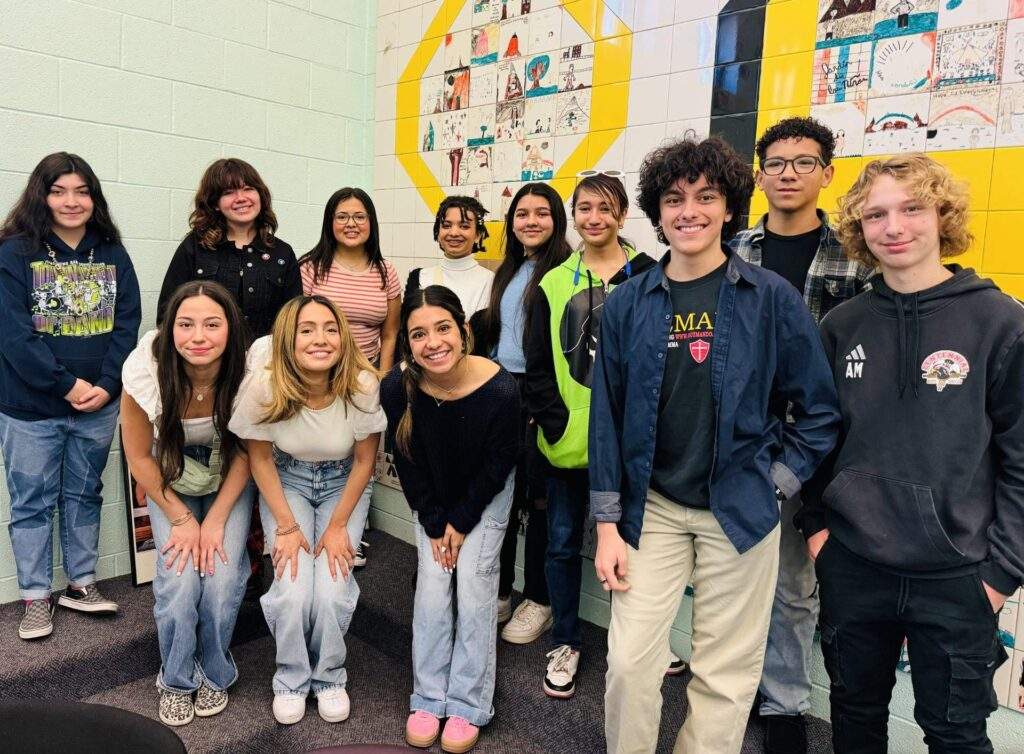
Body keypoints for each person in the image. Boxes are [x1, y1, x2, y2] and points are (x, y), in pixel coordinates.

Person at [590, 136, 840, 754]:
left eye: (707, 196)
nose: (690, 211)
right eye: (674, 199)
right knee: (627, 662)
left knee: (724, 674)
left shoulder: (771, 299)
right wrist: (606, 524)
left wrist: (775, 480)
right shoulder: (627, 302)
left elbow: (818, 410)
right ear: (658, 211)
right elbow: (607, 417)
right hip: (653, 510)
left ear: (729, 208)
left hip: (740, 509)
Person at [799, 154, 1024, 753]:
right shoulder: (842, 325)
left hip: (957, 576)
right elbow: (817, 437)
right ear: (859, 228)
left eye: (912, 208)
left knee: (955, 734)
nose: (894, 226)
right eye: (876, 214)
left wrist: (1000, 574)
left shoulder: (999, 321)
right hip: (853, 565)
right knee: (853, 716)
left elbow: (1021, 459)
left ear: (942, 215)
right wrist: (818, 529)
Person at [730, 116, 872, 753]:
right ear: (759, 175)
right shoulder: (733, 248)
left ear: (827, 173)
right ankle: (731, 690)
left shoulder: (855, 255)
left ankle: (784, 705)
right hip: (740, 439)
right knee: (731, 577)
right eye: (776, 163)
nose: (788, 173)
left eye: (803, 162)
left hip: (819, 442)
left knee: (792, 588)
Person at [0, 152, 141, 641]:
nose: (71, 201)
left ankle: (81, 585)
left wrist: (106, 385)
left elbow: (127, 325)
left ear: (94, 197)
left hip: (97, 406)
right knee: (32, 503)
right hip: (31, 409)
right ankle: (36, 598)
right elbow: (13, 335)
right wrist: (66, 384)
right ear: (41, 195)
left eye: (81, 191)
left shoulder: (112, 252)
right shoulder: (15, 252)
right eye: (59, 190)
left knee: (84, 494)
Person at [524, 175, 656, 698]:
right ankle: (565, 640)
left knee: (641, 546)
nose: (594, 217)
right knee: (560, 544)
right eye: (584, 208)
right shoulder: (553, 280)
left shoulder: (650, 275)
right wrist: (555, 421)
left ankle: (642, 643)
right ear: (573, 216)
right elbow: (537, 360)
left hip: (632, 447)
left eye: (605, 208)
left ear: (622, 214)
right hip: (566, 444)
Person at [229, 295, 386, 725]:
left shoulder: (361, 384)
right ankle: (292, 678)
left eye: (330, 328)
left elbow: (364, 461)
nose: (321, 338)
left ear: (344, 337)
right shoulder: (265, 385)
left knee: (332, 586)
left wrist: (339, 527)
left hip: (343, 483)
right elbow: (259, 459)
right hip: (288, 480)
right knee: (295, 586)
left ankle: (329, 675)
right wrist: (285, 525)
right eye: (307, 329)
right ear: (287, 338)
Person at [381, 285, 519, 753]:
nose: (433, 342)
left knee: (475, 587)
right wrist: (437, 522)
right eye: (419, 334)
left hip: (486, 492)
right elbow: (408, 462)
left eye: (443, 328)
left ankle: (468, 702)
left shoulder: (501, 389)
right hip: (435, 497)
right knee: (435, 587)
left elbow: (498, 466)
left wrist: (462, 521)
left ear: (462, 331)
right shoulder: (396, 387)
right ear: (408, 344)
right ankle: (427, 696)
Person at [120, 281, 252, 727]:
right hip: (170, 483)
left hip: (228, 481)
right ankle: (175, 678)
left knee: (220, 574)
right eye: (186, 324)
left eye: (212, 324)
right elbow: (138, 456)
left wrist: (214, 521)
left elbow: (247, 454)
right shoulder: (146, 373)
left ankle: (215, 668)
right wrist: (179, 516)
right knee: (178, 582)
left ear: (230, 330)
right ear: (169, 328)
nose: (198, 336)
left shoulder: (247, 376)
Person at [474, 183, 570, 644]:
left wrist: (539, 400)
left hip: (539, 394)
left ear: (557, 220)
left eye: (542, 213)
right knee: (501, 496)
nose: (530, 221)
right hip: (500, 391)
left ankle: (541, 598)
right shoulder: (507, 270)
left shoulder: (564, 271)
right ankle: (501, 591)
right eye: (522, 214)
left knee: (540, 500)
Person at [157, 158, 301, 345]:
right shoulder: (195, 247)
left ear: (260, 196)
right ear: (215, 203)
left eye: (249, 189)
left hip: (265, 365)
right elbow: (167, 313)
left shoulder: (282, 253)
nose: (241, 198)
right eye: (229, 192)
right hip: (207, 364)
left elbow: (294, 319)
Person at [300, 187, 401, 372]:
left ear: (371, 222)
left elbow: (390, 334)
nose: (351, 223)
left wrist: (382, 377)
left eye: (360, 217)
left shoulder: (387, 272)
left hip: (368, 370)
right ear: (330, 223)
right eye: (342, 217)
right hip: (319, 371)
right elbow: (296, 327)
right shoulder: (309, 268)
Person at [404, 195, 494, 318]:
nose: (454, 233)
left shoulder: (491, 282)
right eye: (446, 225)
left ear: (478, 235)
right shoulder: (419, 278)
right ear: (438, 231)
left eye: (464, 226)